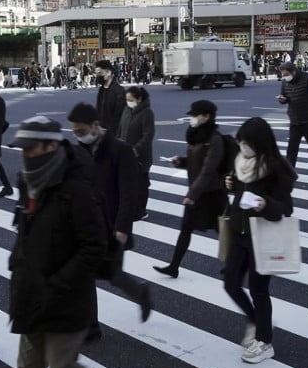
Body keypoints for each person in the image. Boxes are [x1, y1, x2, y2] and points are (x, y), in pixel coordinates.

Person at [6, 116, 124, 368]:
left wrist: (57, 283)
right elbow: (26, 234)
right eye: (22, 149)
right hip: (31, 292)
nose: (26, 155)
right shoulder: (29, 182)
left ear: (52, 146)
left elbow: (94, 248)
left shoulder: (77, 190)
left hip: (66, 296)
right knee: (28, 367)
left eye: (32, 148)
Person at [67, 103, 153, 334]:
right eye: (75, 132)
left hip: (114, 222)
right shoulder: (80, 150)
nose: (79, 136)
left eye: (82, 131)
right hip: (90, 222)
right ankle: (91, 326)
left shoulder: (119, 150)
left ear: (96, 125)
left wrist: (123, 227)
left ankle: (140, 292)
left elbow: (129, 192)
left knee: (112, 274)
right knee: (87, 276)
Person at [223, 117, 296, 364]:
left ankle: (265, 342)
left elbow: (286, 207)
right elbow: (239, 194)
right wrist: (232, 186)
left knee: (259, 289)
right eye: (241, 141)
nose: (242, 146)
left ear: (259, 142)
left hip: (263, 236)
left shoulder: (276, 167)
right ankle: (256, 320)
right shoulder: (242, 162)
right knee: (230, 283)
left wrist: (266, 204)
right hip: (238, 232)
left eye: (246, 142)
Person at [152, 100, 229, 277]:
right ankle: (174, 266)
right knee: (186, 229)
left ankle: (233, 263)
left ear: (206, 117)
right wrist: (181, 162)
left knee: (223, 231)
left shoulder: (215, 139)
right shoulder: (197, 135)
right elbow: (197, 163)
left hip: (213, 193)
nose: (192, 119)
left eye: (195, 115)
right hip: (199, 191)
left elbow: (209, 170)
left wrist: (192, 194)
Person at [276, 61, 308, 170]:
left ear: (293, 71)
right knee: (292, 148)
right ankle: (290, 171)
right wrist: (282, 100)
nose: (284, 77)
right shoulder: (285, 82)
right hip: (294, 120)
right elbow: (284, 96)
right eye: (282, 75)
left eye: (285, 74)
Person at [116, 86, 155, 220]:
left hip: (140, 156)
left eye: (131, 99)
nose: (128, 102)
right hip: (125, 153)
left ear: (139, 99)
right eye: (127, 99)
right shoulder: (127, 110)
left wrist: (136, 149)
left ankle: (141, 211)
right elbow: (120, 129)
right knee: (128, 184)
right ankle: (131, 209)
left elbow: (148, 135)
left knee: (141, 184)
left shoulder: (146, 113)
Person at [94, 60, 126, 135]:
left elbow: (119, 116)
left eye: (100, 73)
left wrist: (109, 132)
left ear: (108, 72)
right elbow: (98, 109)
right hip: (101, 131)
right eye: (96, 74)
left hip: (114, 134)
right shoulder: (101, 89)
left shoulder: (119, 91)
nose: (98, 76)